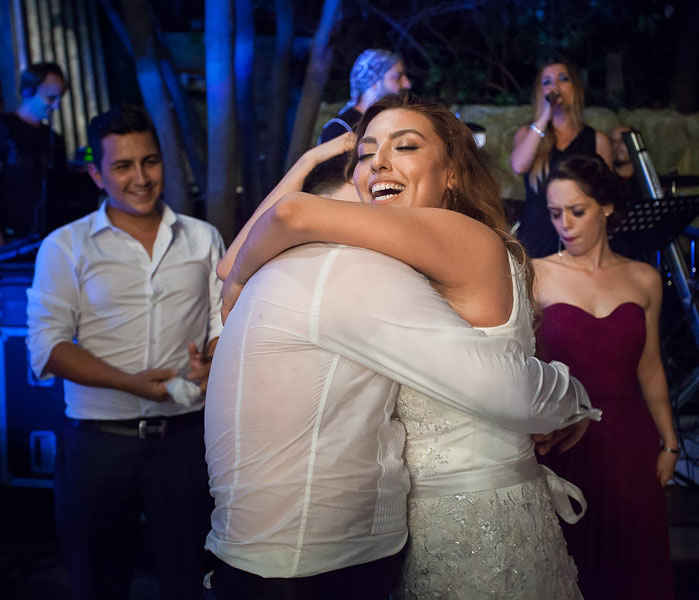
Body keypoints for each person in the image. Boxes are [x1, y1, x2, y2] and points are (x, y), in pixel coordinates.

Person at [208, 93, 598, 599]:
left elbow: (291, 217)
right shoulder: (392, 258)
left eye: (405, 146)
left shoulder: (456, 232)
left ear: (452, 173)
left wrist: (238, 280)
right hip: (416, 532)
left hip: (478, 520)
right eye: (366, 154)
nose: (379, 162)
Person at [25, 105, 223, 600]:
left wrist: (215, 356)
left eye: (150, 161)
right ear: (96, 173)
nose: (141, 178)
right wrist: (128, 382)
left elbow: (223, 324)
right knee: (97, 581)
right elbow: (47, 348)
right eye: (122, 166)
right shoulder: (65, 246)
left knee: (190, 579)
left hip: (185, 438)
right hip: (98, 443)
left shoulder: (202, 238)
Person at [531, 155, 676, 600]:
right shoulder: (535, 273)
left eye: (577, 211)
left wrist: (670, 441)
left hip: (629, 439)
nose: (565, 225)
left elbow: (649, 368)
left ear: (607, 206)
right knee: (570, 565)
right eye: (555, 214)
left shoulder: (644, 278)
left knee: (632, 566)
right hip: (563, 440)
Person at [510, 60, 613, 258]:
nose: (555, 87)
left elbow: (606, 195)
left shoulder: (597, 140)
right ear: (540, 92)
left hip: (579, 240)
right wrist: (544, 116)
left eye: (563, 79)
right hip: (536, 239)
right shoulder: (528, 134)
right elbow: (518, 165)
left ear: (575, 87)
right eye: (547, 82)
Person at [0, 62, 67, 242]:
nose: (57, 106)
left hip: (47, 236)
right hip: (10, 237)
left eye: (60, 98)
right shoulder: (4, 128)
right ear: (28, 92)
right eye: (51, 98)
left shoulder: (55, 139)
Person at [318, 49, 411, 144]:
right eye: (398, 77)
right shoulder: (340, 130)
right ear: (373, 81)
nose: (407, 84)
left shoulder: (390, 124)